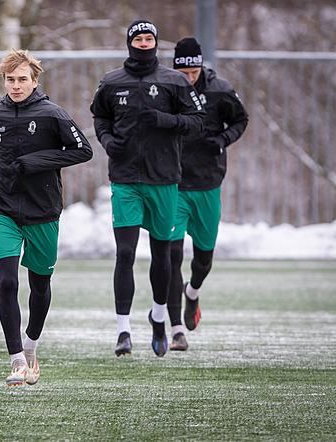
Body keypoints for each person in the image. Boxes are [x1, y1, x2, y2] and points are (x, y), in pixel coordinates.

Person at [0, 48, 93, 385]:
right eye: (10, 80)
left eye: (22, 80)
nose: (16, 85)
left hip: (44, 211)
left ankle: (30, 346)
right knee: (8, 281)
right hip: (3, 209)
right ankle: (15, 361)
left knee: (39, 285)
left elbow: (83, 150)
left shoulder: (52, 114)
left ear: (35, 80)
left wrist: (34, 162)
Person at [90, 20, 206, 358]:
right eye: (138, 38)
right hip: (125, 179)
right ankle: (122, 330)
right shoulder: (112, 81)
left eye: (149, 38)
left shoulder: (174, 81)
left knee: (164, 254)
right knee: (124, 253)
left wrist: (165, 121)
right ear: (129, 43)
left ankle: (158, 318)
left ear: (156, 44)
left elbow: (198, 123)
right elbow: (100, 117)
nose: (143, 43)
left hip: (164, 180)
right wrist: (109, 140)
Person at [167, 38, 249, 351]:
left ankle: (192, 293)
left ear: (201, 66)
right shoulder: (166, 89)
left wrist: (222, 139)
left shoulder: (220, 90)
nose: (188, 76)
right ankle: (176, 329)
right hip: (172, 185)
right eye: (182, 71)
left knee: (203, 259)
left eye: (193, 70)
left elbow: (241, 119)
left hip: (207, 184)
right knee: (170, 256)